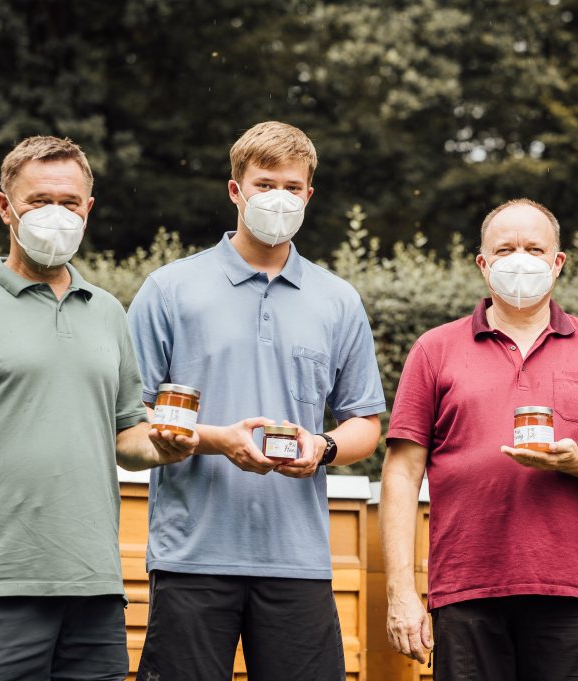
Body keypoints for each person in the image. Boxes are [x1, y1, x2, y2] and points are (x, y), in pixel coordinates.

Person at [0, 135, 198, 681]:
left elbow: (128, 438)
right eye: (39, 201)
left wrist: (171, 444)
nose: (57, 214)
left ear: (88, 210)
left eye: (70, 202)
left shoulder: (106, 313)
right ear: (6, 208)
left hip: (94, 591)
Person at [127, 120, 385, 681]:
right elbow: (128, 421)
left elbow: (366, 422)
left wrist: (323, 447)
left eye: (292, 187)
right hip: (191, 555)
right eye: (265, 183)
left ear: (309, 195)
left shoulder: (338, 301)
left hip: (298, 558)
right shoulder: (169, 290)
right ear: (235, 190)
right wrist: (218, 441)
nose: (279, 198)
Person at [380, 198, 578, 681]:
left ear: (558, 262)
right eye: (505, 249)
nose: (521, 259)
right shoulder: (434, 349)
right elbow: (402, 474)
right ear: (483, 264)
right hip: (465, 589)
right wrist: (401, 593)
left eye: (534, 247)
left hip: (567, 588)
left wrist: (577, 463)